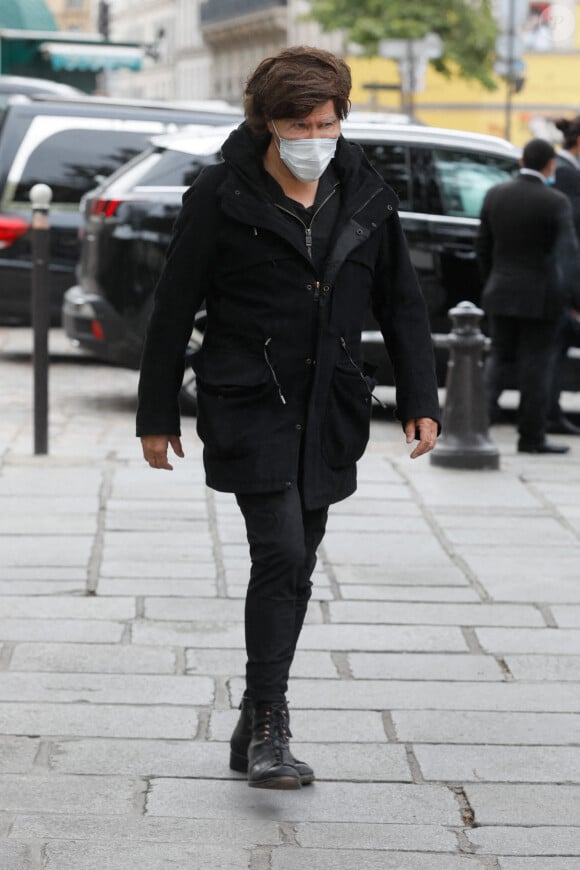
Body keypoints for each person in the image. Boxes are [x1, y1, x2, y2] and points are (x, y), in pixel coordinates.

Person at [136, 46, 441, 790]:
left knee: (299, 561)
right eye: (300, 124)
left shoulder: (365, 189)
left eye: (327, 121)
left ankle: (254, 713)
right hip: (250, 399)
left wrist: (422, 400)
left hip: (330, 403)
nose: (315, 136)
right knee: (278, 551)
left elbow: (401, 300)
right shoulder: (219, 193)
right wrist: (155, 412)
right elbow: (175, 305)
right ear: (268, 123)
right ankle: (273, 724)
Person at [476, 137, 580, 454]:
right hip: (542, 297)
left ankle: (477, 425)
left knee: (497, 358)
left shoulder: (495, 194)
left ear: (522, 161)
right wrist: (575, 301)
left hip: (501, 290)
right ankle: (531, 437)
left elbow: (482, 247)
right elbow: (569, 256)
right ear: (550, 165)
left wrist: (492, 281)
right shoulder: (556, 201)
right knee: (536, 366)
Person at [548, 117, 580, 435]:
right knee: (553, 352)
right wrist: (573, 293)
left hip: (554, 280)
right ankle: (550, 413)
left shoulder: (563, 169)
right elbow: (569, 242)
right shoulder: (567, 175)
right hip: (558, 282)